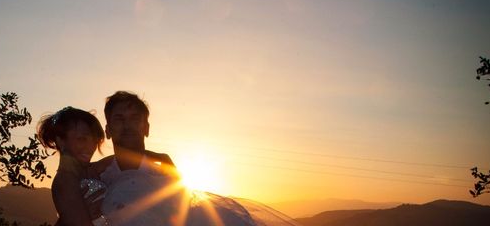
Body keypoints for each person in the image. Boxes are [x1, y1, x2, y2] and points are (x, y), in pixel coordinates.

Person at [97, 91, 302, 226]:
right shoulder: (99, 178)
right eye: (119, 119)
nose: (128, 125)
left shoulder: (165, 172)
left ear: (147, 128)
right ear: (108, 130)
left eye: (135, 119)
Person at [36, 106, 112, 226]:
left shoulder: (86, 171)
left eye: (94, 140)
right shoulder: (65, 181)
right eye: (82, 139)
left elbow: (120, 158)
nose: (90, 146)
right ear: (61, 141)